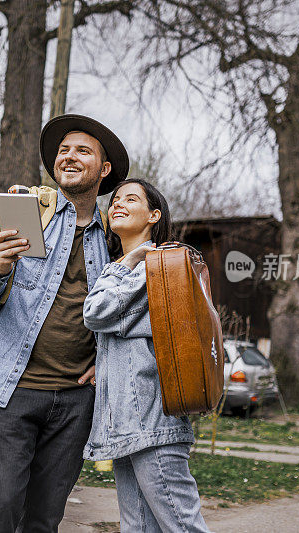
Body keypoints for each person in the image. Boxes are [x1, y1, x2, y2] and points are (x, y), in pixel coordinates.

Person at [0, 114, 130, 533]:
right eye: (63, 150)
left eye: (83, 151)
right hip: (10, 388)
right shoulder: (25, 211)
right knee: (0, 506)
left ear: (104, 169)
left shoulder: (113, 239)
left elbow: (124, 315)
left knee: (44, 518)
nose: (69, 157)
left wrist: (105, 361)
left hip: (74, 401)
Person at [83, 178, 209, 533]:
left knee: (183, 526)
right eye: (116, 199)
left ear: (154, 215)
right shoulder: (129, 265)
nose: (118, 203)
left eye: (131, 199)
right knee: (137, 527)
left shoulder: (156, 265)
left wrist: (130, 262)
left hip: (152, 422)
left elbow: (97, 312)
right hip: (130, 424)